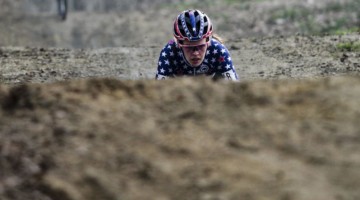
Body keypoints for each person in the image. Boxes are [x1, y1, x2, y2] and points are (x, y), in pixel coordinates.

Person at [155, 9, 239, 81]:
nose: (195, 53)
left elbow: (235, 88)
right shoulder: (168, 53)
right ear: (178, 43)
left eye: (201, 46)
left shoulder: (219, 51)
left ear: (208, 42)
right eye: (189, 47)